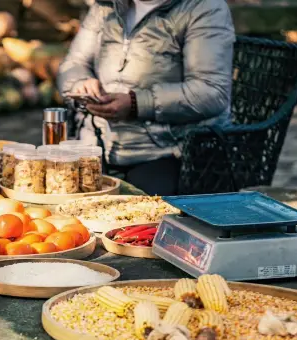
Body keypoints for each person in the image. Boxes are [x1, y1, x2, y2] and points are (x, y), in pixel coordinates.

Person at [57, 0, 235, 195]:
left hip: (165, 150)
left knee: (144, 217)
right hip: (93, 144)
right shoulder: (106, 5)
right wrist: (80, 83)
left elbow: (211, 91)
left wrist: (136, 103)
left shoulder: (204, 7)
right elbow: (74, 62)